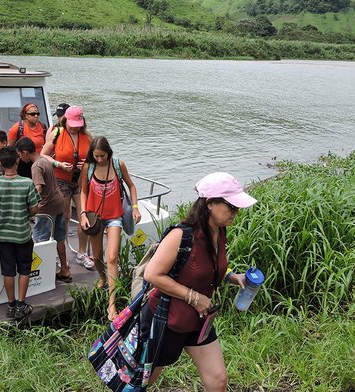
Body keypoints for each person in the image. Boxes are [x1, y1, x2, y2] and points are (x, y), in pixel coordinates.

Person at [141, 172, 257, 391]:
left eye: (237, 208)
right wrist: (193, 297)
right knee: (142, 382)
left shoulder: (219, 231)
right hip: (167, 320)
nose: (236, 212)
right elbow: (152, 275)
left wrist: (232, 276)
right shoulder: (181, 235)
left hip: (199, 319)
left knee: (218, 379)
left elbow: (205, 268)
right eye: (231, 206)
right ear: (210, 204)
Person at [79, 136, 141, 320]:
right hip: (94, 217)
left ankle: (111, 304)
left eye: (102, 156)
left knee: (112, 257)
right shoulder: (88, 167)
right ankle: (102, 277)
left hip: (115, 216)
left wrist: (135, 208)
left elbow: (131, 186)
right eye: (96, 156)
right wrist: (82, 213)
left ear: (108, 153)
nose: (99, 159)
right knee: (97, 257)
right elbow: (83, 191)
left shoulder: (118, 165)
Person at [0, 146, 41, 320]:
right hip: (22, 234)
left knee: (8, 271)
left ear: (0, 163)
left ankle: (11, 304)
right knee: (25, 269)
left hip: (4, 234)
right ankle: (21, 304)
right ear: (18, 161)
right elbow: (35, 207)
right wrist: (26, 214)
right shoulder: (27, 182)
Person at [41, 105, 94, 270]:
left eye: (76, 125)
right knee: (63, 218)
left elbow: (96, 159)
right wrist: (58, 164)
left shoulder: (87, 137)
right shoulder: (57, 133)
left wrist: (87, 163)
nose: (73, 127)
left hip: (80, 181)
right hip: (61, 180)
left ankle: (81, 253)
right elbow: (43, 155)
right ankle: (60, 253)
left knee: (84, 216)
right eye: (70, 123)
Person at [16, 136, 71, 283]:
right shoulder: (44, 160)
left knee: (41, 240)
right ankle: (64, 269)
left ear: (25, 152)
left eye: (20, 154)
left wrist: (27, 206)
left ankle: (44, 274)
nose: (20, 157)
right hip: (59, 203)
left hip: (46, 208)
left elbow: (38, 189)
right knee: (60, 238)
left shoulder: (36, 166)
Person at [8, 103, 48, 179]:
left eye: (37, 114)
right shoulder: (17, 128)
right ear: (25, 115)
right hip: (22, 164)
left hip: (39, 162)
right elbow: (10, 148)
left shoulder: (43, 127)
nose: (36, 116)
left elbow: (47, 145)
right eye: (33, 114)